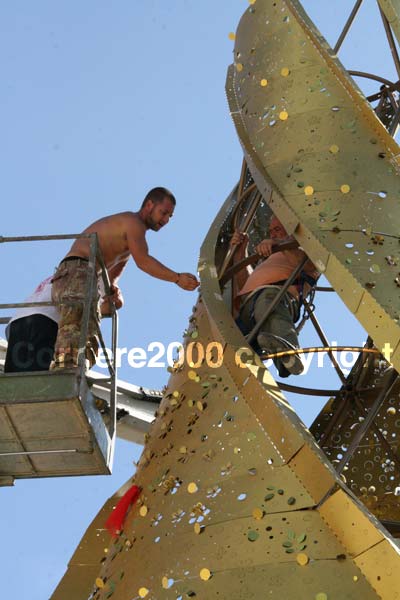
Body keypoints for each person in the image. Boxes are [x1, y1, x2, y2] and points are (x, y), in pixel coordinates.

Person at [50, 186, 199, 369]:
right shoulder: (132, 222)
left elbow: (111, 281)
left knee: (88, 334)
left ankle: (76, 375)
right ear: (149, 205)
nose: (166, 220)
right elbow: (143, 261)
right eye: (164, 212)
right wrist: (177, 278)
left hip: (83, 277)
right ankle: (66, 374)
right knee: (76, 327)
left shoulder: (128, 244)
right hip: (77, 272)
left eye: (170, 216)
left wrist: (113, 295)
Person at [230, 216, 318, 377]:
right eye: (271, 231)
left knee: (268, 302)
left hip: (276, 298)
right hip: (248, 309)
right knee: (230, 343)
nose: (272, 235)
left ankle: (290, 356)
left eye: (277, 230)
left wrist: (281, 244)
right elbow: (246, 285)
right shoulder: (272, 258)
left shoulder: (307, 251)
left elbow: (310, 266)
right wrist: (240, 252)